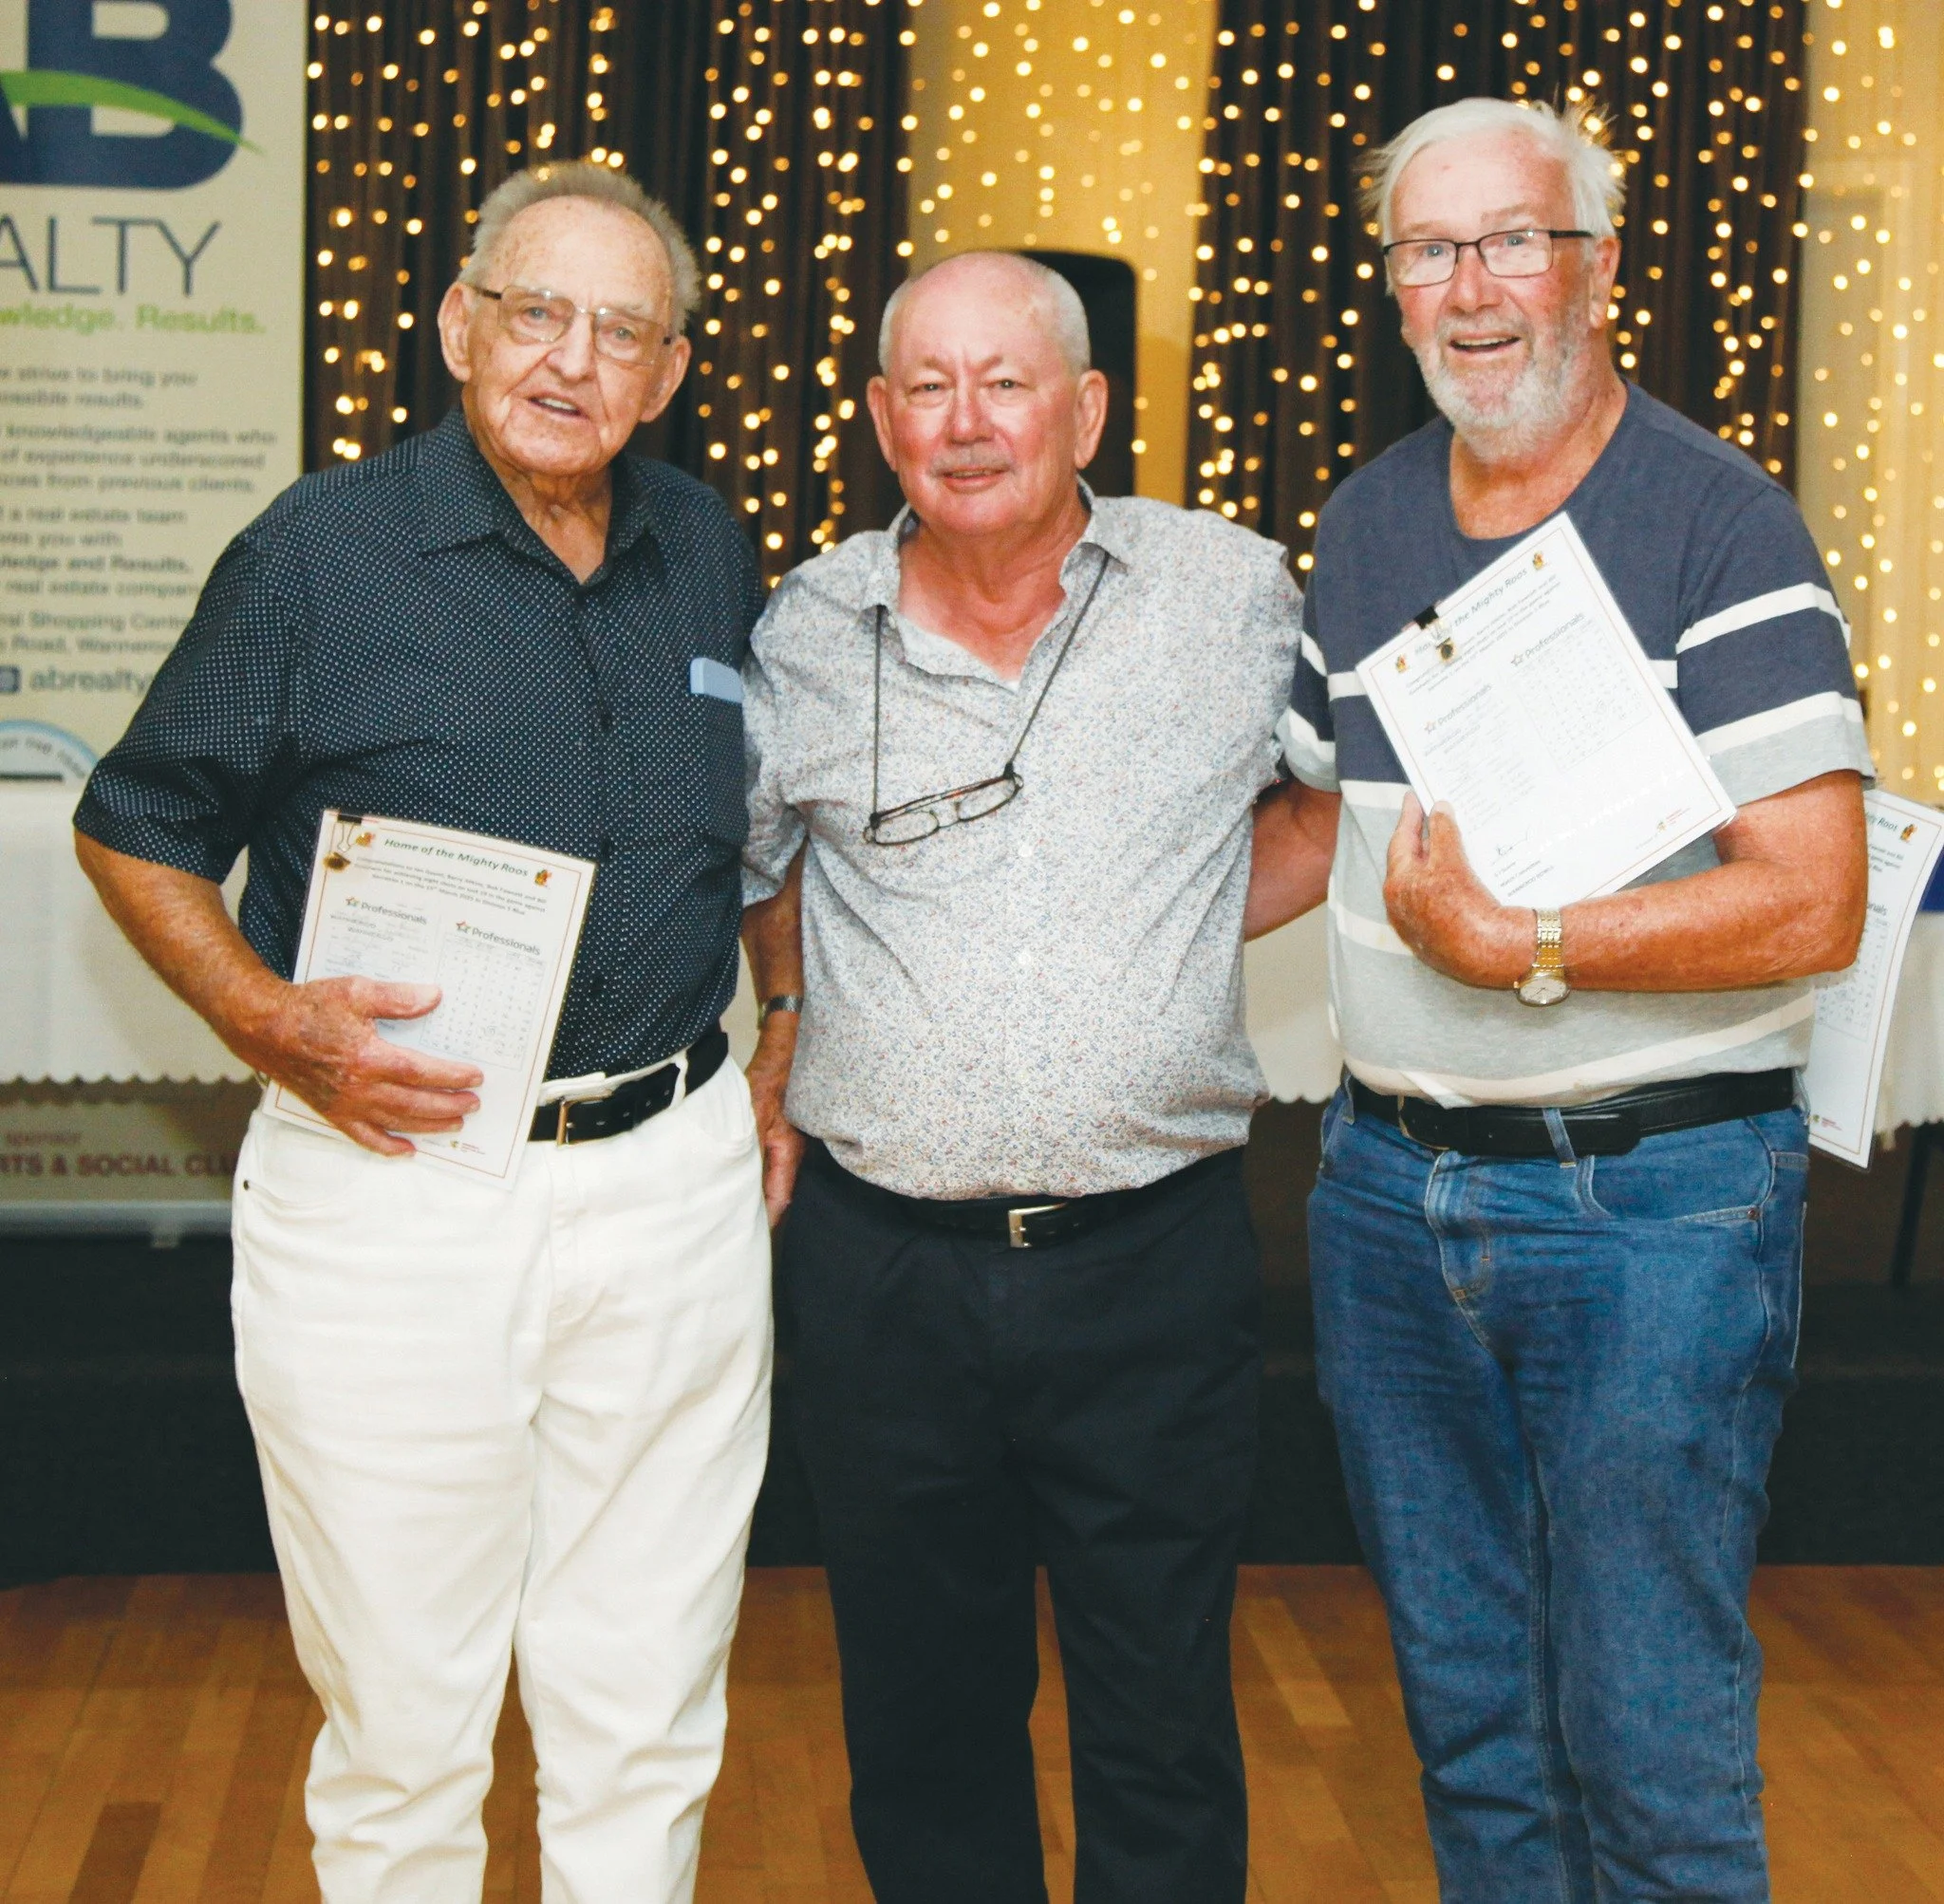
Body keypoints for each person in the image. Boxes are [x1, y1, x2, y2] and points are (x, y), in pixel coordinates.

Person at [72, 162, 783, 1903]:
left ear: (670, 374)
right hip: (396, 1183)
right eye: (536, 312)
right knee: (403, 1716)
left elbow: (763, 829)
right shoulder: (322, 552)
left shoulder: (706, 547)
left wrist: (780, 1058)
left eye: (621, 332)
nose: (571, 362)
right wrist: (266, 1018)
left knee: (648, 1698)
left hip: (674, 1185)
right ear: (460, 325)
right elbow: (137, 817)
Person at [1247, 99, 1871, 1902]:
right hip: (1386, 1204)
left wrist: (1518, 942)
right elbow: (1305, 820)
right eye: (1428, 251)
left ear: (1597, 267)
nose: (1471, 288)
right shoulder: (1365, 526)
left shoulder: (1718, 521)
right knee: (1473, 1732)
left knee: (1650, 1742)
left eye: (1513, 239)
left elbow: (1811, 900)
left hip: (1655, 1213)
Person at [738, 251, 1303, 1903]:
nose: (967, 421)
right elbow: (765, 865)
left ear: (1087, 409)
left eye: (1006, 381)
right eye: (929, 384)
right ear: (879, 416)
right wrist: (784, 1020)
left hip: (1154, 1261)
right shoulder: (807, 628)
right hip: (884, 1270)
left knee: (1163, 1716)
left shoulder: (1233, 594)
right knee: (922, 1719)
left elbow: (1337, 809)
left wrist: (1173, 916)